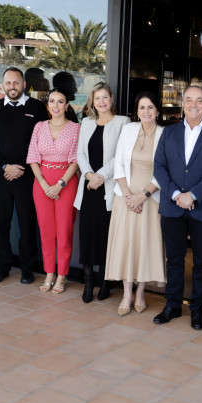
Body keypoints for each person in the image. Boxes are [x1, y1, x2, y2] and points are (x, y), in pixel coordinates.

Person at [152, 85, 202, 330]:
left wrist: (193, 195)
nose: (193, 104)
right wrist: (176, 194)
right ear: (182, 103)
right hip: (173, 206)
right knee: (173, 259)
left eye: (199, 100)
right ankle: (172, 305)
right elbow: (159, 168)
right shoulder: (169, 132)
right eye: (188, 100)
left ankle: (198, 308)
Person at [0, 67, 48, 284]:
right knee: (0, 223)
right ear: (3, 85)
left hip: (27, 175)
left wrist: (20, 167)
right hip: (1, 175)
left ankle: (27, 268)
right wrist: (4, 166)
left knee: (27, 223)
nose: (12, 87)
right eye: (8, 83)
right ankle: (1, 266)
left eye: (16, 82)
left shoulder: (37, 108)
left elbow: (39, 142)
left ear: (23, 84)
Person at [105, 92, 165, 315]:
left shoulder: (164, 134)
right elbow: (119, 161)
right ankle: (126, 293)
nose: (146, 112)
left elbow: (165, 171)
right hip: (125, 197)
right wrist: (129, 195)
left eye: (150, 107)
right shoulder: (128, 129)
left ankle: (141, 292)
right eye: (142, 107)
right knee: (126, 244)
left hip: (150, 198)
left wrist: (143, 196)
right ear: (136, 111)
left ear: (157, 111)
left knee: (144, 244)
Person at [74, 82, 129, 302]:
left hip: (108, 188)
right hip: (88, 188)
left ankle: (106, 282)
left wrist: (100, 176)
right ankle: (88, 283)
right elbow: (80, 153)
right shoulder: (86, 122)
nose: (102, 102)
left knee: (107, 236)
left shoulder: (123, 122)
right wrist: (88, 175)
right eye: (98, 98)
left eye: (105, 97)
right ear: (92, 101)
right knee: (86, 235)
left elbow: (121, 155)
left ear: (112, 99)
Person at [27, 89, 81, 294]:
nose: (56, 105)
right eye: (52, 101)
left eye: (61, 101)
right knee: (46, 230)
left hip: (65, 182)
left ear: (67, 105)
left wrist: (59, 184)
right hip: (41, 182)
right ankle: (49, 273)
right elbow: (32, 157)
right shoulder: (39, 127)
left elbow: (76, 160)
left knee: (64, 230)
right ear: (47, 105)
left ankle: (62, 275)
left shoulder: (76, 128)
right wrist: (43, 182)